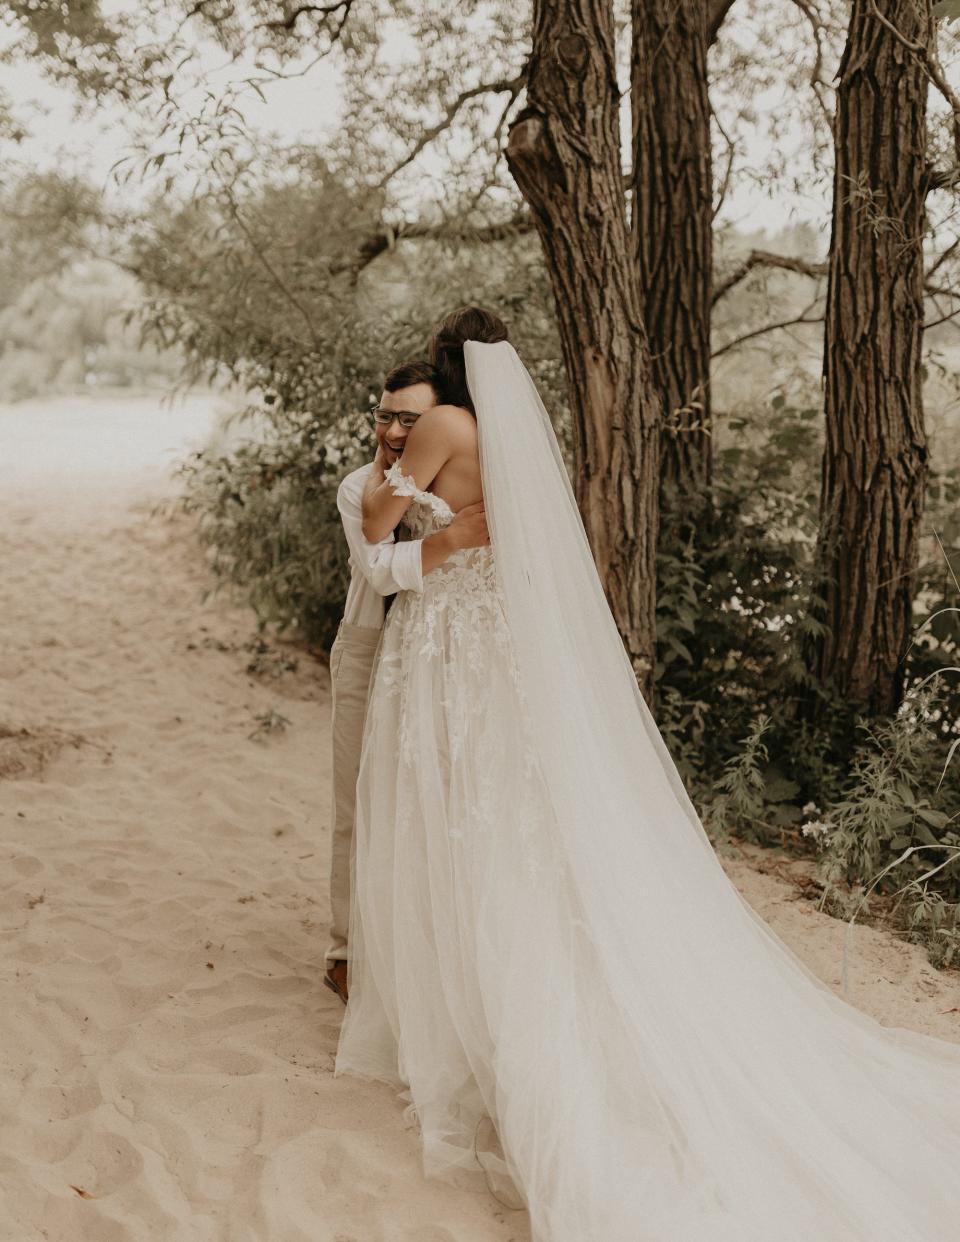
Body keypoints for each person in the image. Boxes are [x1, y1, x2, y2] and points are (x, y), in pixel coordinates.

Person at [335, 308, 960, 1242]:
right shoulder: (498, 437)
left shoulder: (439, 428)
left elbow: (381, 548)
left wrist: (402, 490)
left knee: (459, 819)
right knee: (507, 821)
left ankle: (478, 1028)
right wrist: (452, 527)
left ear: (444, 369)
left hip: (451, 644)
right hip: (493, 643)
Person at [323, 359, 489, 1004]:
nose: (393, 430)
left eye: (408, 418)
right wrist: (453, 541)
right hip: (369, 647)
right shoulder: (360, 487)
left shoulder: (452, 472)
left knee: (425, 802)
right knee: (354, 799)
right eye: (385, 415)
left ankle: (413, 944)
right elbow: (379, 570)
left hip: (439, 655)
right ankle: (345, 951)